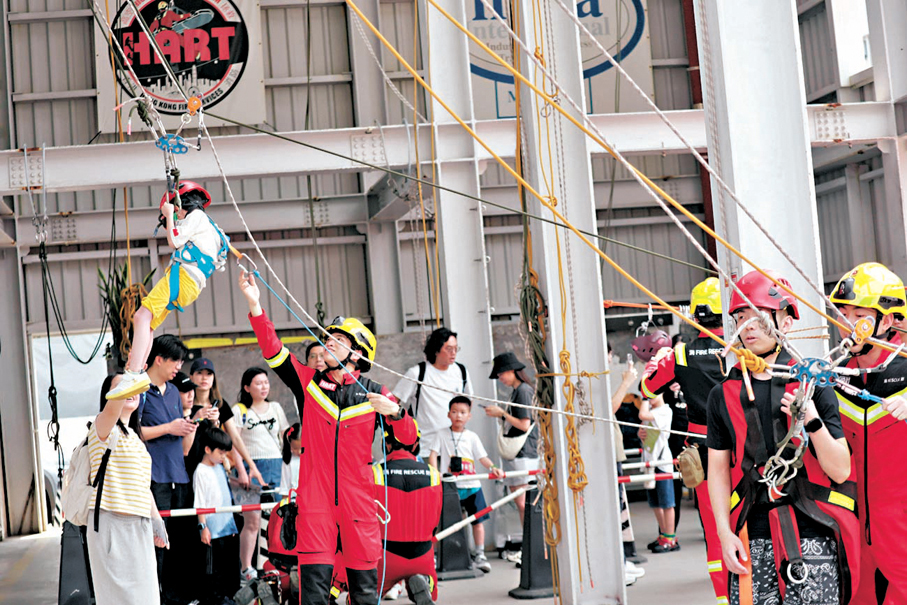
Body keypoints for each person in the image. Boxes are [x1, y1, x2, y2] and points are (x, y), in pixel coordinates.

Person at [238, 270, 417, 605]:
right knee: (314, 594)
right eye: (329, 339)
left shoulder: (377, 394)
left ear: (358, 354)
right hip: (315, 502)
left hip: (359, 504)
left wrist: (394, 413)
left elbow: (409, 441)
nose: (327, 345)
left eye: (338, 341)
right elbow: (273, 350)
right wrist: (255, 305)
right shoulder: (309, 384)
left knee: (364, 594)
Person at [707, 270, 859, 605]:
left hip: (812, 531)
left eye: (759, 316)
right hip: (751, 532)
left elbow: (840, 470)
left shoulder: (813, 384)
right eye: (741, 317)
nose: (748, 327)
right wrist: (723, 531)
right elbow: (716, 470)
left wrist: (811, 420)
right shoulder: (723, 395)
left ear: (785, 322)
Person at [641, 276, 727, 599]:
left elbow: (648, 388)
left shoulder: (679, 355)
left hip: (703, 452)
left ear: (695, 315)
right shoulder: (742, 349)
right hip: (745, 449)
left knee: (717, 530)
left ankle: (725, 597)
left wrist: (657, 360)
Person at [828, 262, 907, 604]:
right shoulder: (836, 377)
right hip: (852, 525)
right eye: (844, 314)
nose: (848, 324)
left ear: (887, 320)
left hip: (901, 524)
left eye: (858, 313)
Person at [107, 182, 230, 400]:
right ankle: (139, 371)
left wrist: (168, 214)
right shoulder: (212, 228)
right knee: (149, 322)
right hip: (191, 284)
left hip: (183, 276)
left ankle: (133, 373)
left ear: (180, 205)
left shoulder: (196, 217)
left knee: (141, 316)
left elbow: (174, 241)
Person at [333, 421, 442, 605]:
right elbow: (435, 521)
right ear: (416, 445)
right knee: (424, 579)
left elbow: (359, 518)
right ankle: (422, 582)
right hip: (423, 555)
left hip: (385, 557)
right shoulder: (433, 474)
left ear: (387, 444)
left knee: (360, 598)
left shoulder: (374, 473)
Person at [87, 374, 169, 605]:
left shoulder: (133, 436)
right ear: (109, 396)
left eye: (134, 386)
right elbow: (112, 409)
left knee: (148, 598)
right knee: (120, 599)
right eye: (122, 386)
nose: (130, 390)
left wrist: (156, 520)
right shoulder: (103, 427)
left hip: (138, 525)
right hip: (113, 523)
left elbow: (143, 486)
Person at [138, 334, 198, 603]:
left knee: (180, 541)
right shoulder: (138, 389)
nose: (178, 368)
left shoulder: (174, 391)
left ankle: (177, 596)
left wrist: (188, 426)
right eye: (175, 361)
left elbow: (183, 446)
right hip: (154, 478)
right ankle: (155, 596)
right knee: (156, 541)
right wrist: (168, 428)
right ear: (159, 359)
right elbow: (133, 433)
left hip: (178, 474)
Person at [429, 395, 504, 573]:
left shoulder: (472, 436)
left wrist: (493, 467)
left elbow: (482, 457)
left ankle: (480, 554)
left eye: (463, 412)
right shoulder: (441, 434)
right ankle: (431, 556)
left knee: (477, 521)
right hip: (450, 486)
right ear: (448, 414)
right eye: (454, 412)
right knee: (439, 521)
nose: (458, 416)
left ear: (469, 416)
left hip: (471, 486)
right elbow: (433, 454)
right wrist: (435, 472)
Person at [232, 366, 289, 582]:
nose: (263, 386)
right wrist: (242, 471)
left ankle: (273, 564)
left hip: (274, 466)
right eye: (258, 383)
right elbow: (234, 445)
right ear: (246, 387)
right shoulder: (240, 410)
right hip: (251, 469)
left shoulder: (275, 407)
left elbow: (284, 437)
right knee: (253, 521)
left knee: (275, 518)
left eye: (266, 382)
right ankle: (246, 568)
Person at [485, 351, 539, 566]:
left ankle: (532, 545)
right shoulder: (519, 391)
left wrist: (502, 414)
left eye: (501, 374)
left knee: (523, 503)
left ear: (511, 371)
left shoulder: (523, 391)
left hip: (523, 452)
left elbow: (525, 424)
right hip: (519, 452)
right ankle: (530, 545)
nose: (500, 378)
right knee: (521, 503)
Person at [189, 358, 265, 490]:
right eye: (199, 373)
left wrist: (251, 466)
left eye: (209, 374)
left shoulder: (220, 404)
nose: (204, 378)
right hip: (189, 465)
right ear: (191, 377)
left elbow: (235, 437)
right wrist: (196, 417)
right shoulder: (185, 403)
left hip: (214, 464)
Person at [394, 327, 473, 449]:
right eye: (449, 349)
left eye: (456, 349)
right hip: (426, 446)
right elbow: (394, 401)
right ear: (436, 350)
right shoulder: (417, 373)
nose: (453, 353)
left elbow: (469, 401)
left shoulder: (461, 371)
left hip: (456, 447)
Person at [607, 344, 646, 582]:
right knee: (613, 511)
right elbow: (608, 408)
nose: (611, 358)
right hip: (605, 454)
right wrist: (626, 383)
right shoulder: (590, 378)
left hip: (613, 451)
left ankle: (621, 560)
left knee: (619, 511)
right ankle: (617, 565)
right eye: (609, 353)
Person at [193, 427, 241, 605]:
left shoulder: (220, 467)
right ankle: (216, 599)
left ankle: (228, 597)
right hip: (213, 530)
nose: (223, 457)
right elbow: (200, 503)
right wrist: (203, 527)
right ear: (207, 449)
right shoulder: (201, 471)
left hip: (227, 526)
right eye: (220, 453)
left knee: (230, 568)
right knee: (215, 570)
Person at [638, 395, 677, 553]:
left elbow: (642, 415)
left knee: (667, 502)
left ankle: (670, 537)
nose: (648, 399)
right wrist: (640, 434)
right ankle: (663, 534)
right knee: (655, 503)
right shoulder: (652, 411)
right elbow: (643, 427)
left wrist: (644, 400)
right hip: (649, 462)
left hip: (661, 462)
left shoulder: (665, 411)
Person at [280, 423, 301, 496]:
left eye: (302, 448)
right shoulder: (288, 461)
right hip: (293, 501)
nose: (299, 452)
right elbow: (285, 490)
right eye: (295, 448)